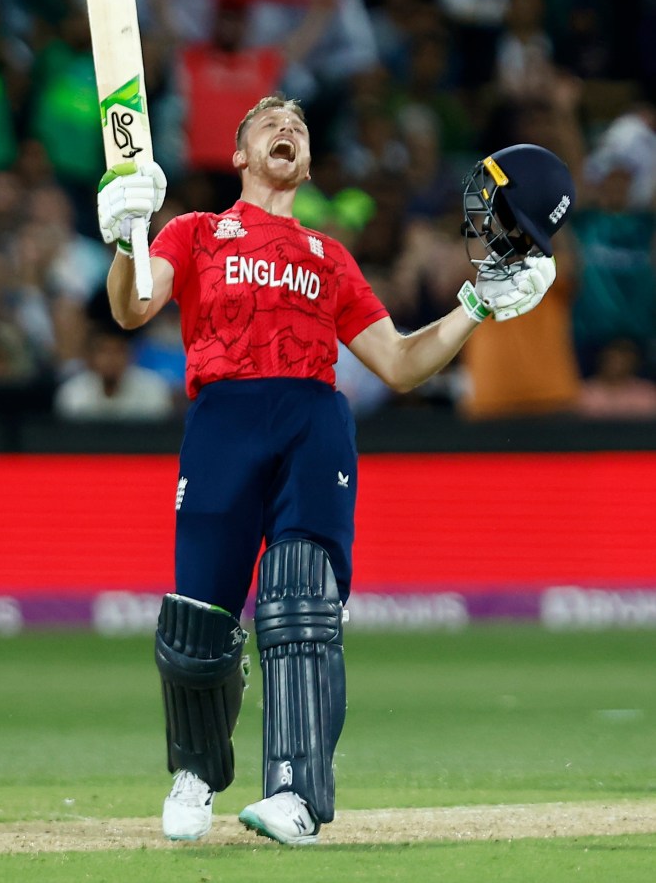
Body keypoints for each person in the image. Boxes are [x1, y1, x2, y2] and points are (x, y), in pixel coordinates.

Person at [97, 96, 573, 845]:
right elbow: (131, 308)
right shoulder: (194, 232)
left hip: (313, 421)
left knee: (299, 605)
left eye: (299, 126)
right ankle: (196, 770)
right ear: (240, 155)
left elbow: (400, 362)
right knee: (197, 620)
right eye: (268, 124)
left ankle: (295, 792)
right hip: (223, 420)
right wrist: (125, 237)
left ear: (309, 161)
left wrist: (476, 305)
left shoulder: (330, 256)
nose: (286, 128)